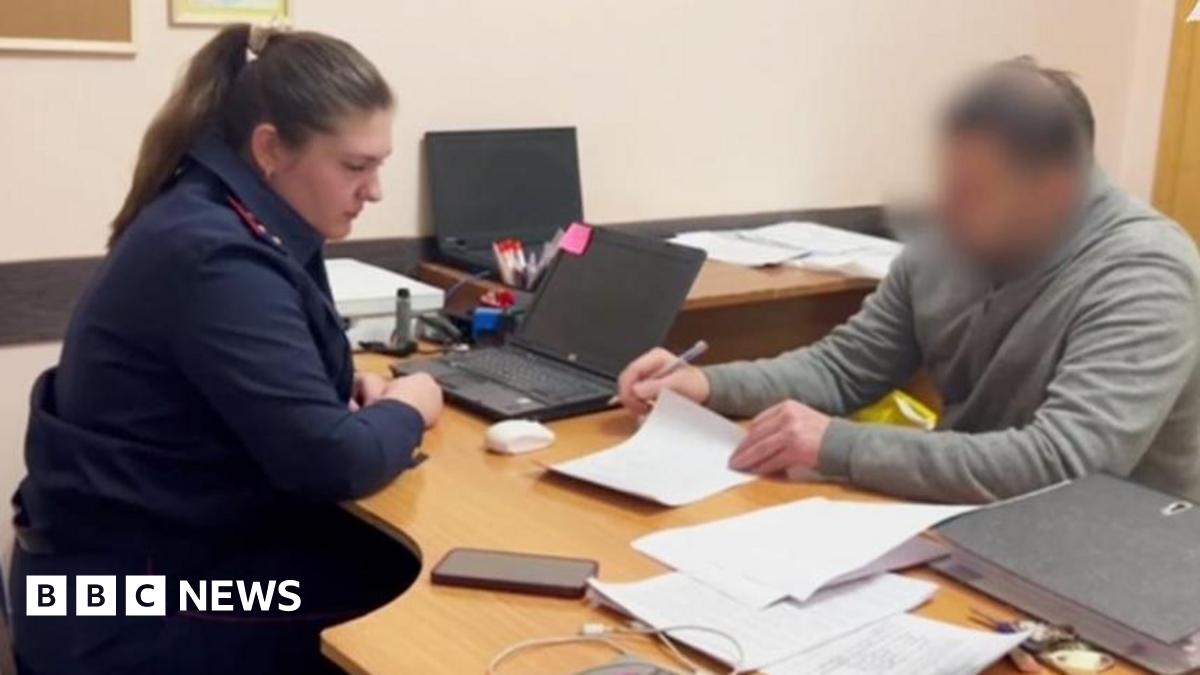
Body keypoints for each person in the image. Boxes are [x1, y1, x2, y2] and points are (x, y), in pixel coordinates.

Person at [9, 24, 443, 675]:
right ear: (271, 148)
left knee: (386, 574)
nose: (374, 190)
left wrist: (326, 388)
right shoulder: (214, 252)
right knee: (411, 608)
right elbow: (334, 461)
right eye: (355, 166)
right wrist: (411, 402)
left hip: (117, 576)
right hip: (126, 606)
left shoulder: (221, 213)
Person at [618, 57, 1200, 504]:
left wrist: (841, 445)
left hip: (1114, 558)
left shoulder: (1145, 273)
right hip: (972, 522)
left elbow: (1068, 463)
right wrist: (707, 386)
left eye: (973, 190)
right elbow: (843, 369)